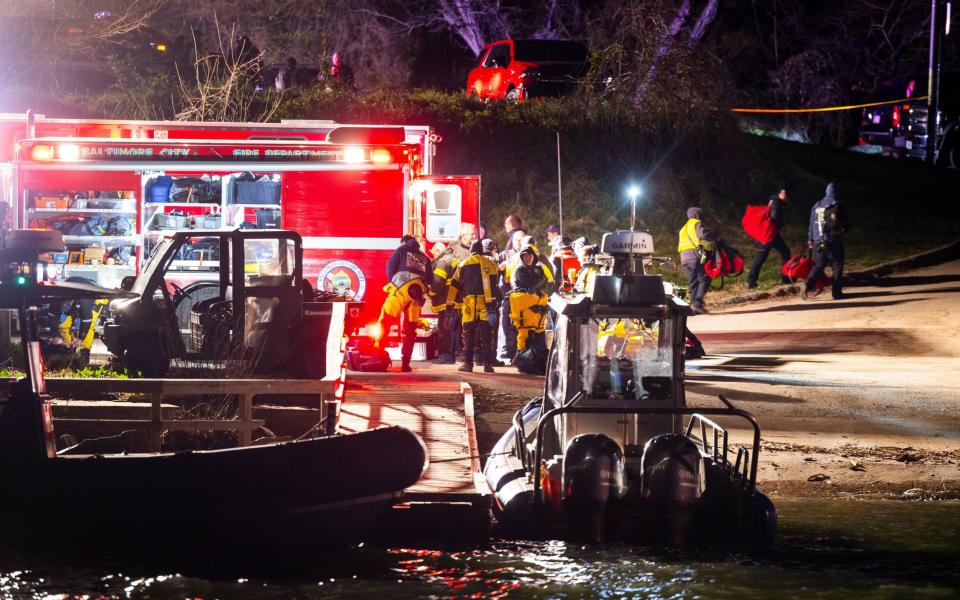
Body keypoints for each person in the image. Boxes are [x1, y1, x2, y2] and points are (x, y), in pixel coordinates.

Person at [376, 235, 433, 372]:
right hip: (415, 295)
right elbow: (430, 278)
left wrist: (394, 283)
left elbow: (390, 266)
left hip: (399, 292)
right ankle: (405, 364)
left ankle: (378, 356)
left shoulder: (401, 250)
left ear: (403, 242)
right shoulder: (425, 257)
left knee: (385, 321)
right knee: (410, 330)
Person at [447, 241, 502, 373]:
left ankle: (468, 364)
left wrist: (449, 304)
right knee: (487, 335)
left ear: (471, 251)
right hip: (486, 305)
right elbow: (495, 286)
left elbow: (454, 285)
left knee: (468, 335)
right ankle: (488, 365)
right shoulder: (492, 264)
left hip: (469, 305)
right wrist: (495, 304)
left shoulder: (462, 264)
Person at [801, 182, 848, 301]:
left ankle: (807, 285)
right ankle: (837, 293)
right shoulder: (837, 205)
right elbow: (844, 223)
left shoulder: (816, 205)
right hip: (834, 240)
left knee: (819, 265)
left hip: (818, 240)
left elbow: (811, 224)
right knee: (837, 264)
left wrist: (810, 239)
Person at [510, 245, 551, 362]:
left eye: (529, 255)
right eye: (525, 256)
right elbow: (532, 283)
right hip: (523, 307)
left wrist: (539, 283)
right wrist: (539, 282)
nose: (528, 258)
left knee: (538, 332)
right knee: (524, 333)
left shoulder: (538, 268)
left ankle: (534, 359)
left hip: (537, 307)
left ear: (533, 256)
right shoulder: (520, 270)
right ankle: (520, 358)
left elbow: (546, 282)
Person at [747, 188, 791, 289]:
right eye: (784, 194)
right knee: (762, 257)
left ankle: (785, 278)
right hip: (769, 234)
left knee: (783, 252)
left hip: (770, 233)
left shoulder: (774, 201)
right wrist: (779, 223)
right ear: (780, 194)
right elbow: (774, 216)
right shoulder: (776, 201)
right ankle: (751, 281)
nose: (785, 196)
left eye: (786, 194)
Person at [677, 207, 717, 314]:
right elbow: (703, 235)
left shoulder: (683, 228)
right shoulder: (697, 223)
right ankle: (698, 303)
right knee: (704, 279)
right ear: (697, 215)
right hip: (695, 257)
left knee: (692, 282)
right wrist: (714, 235)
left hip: (684, 259)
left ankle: (693, 305)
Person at [428, 241, 458, 364]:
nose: (433, 256)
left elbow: (437, 283)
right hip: (453, 300)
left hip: (445, 302)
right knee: (451, 330)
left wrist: (429, 293)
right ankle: (450, 356)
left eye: (434, 253)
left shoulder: (442, 262)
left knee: (444, 330)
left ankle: (445, 356)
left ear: (439, 251)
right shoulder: (453, 259)